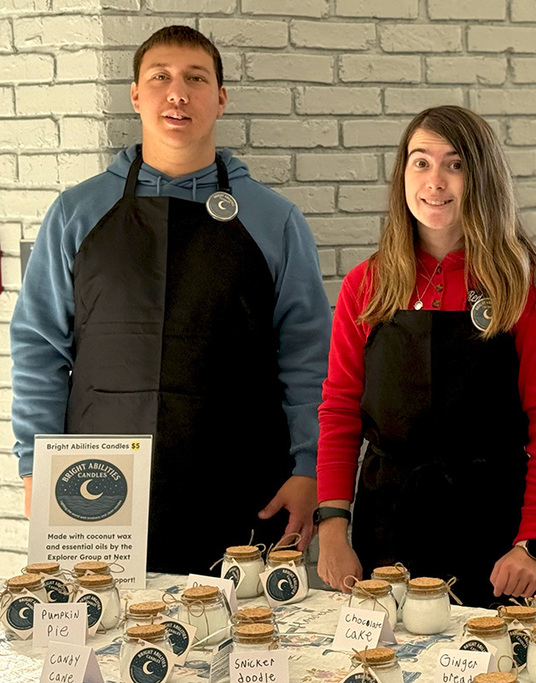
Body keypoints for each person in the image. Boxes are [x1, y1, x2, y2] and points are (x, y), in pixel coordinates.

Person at [11, 26, 332, 573]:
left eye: (195, 79)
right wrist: (34, 466)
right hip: (97, 487)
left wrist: (310, 467)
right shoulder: (75, 212)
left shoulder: (274, 219)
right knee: (102, 622)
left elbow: (308, 357)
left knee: (242, 625)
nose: (177, 93)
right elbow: (40, 349)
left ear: (221, 98)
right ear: (136, 95)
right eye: (160, 77)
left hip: (243, 483)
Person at [316, 106, 536, 607]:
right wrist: (332, 528)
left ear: (483, 178)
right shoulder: (366, 284)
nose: (435, 181)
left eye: (455, 164)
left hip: (492, 533)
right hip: (385, 523)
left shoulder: (524, 285)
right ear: (403, 175)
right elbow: (340, 410)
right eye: (421, 162)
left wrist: (533, 543)